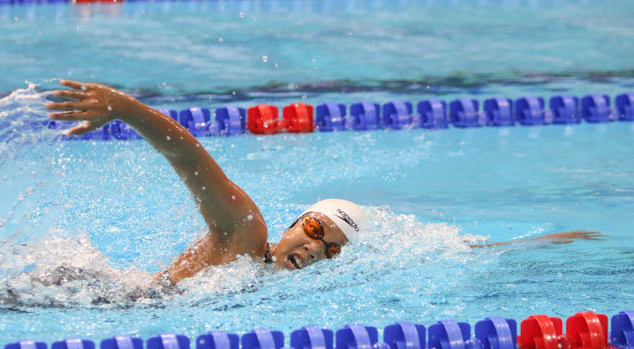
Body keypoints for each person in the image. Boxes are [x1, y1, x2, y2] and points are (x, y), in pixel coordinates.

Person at [46, 80, 603, 285]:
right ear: (293, 223)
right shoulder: (244, 236)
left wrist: (535, 243)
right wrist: (124, 108)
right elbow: (192, 162)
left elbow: (443, 252)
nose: (315, 246)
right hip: (92, 299)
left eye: (330, 247)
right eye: (314, 229)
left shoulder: (266, 282)